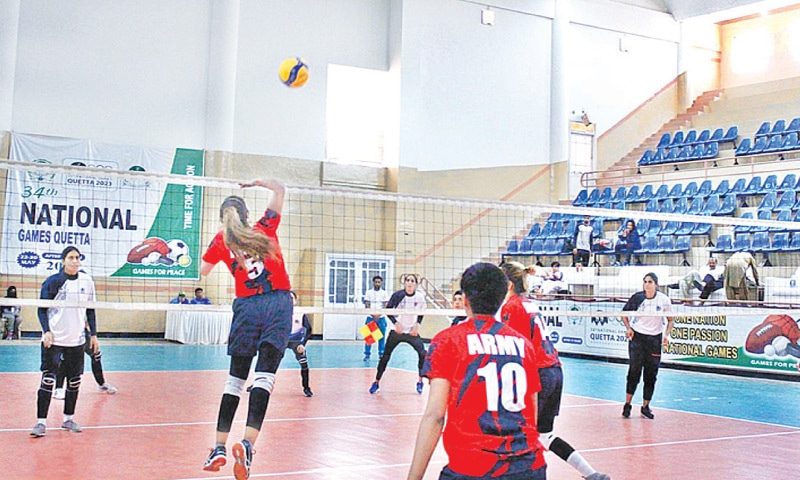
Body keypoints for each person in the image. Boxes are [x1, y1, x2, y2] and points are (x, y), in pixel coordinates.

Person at [407, 262, 547, 480]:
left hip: (473, 469)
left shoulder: (448, 341)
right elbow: (532, 411)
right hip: (528, 467)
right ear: (502, 298)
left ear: (464, 300)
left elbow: (435, 416)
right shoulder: (523, 345)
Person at [200, 179, 293, 480]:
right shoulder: (264, 228)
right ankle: (248, 444)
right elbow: (279, 189)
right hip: (277, 305)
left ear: (222, 218)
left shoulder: (220, 241)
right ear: (246, 214)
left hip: (246, 308)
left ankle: (218, 447)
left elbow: (202, 272)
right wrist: (258, 183)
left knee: (234, 381)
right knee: (264, 378)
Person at [500, 262, 611, 480]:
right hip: (555, 370)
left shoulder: (510, 307)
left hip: (539, 375)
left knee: (519, 436)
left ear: (508, 284)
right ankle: (592, 474)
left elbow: (510, 347)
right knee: (545, 435)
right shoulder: (530, 303)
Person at [31, 246, 98, 437]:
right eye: (71, 257)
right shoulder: (54, 282)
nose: (75, 261)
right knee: (48, 380)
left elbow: (91, 310)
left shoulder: (87, 281)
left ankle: (68, 419)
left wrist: (93, 335)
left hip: (76, 341)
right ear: (63, 260)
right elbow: (41, 309)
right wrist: (47, 331)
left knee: (74, 381)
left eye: (78, 257)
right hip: (55, 339)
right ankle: (41, 423)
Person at [620, 272, 674, 420]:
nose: (647, 284)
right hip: (638, 338)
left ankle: (645, 406)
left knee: (651, 375)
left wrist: (666, 335)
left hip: (654, 340)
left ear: (656, 284)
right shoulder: (637, 298)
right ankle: (627, 404)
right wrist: (628, 328)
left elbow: (670, 320)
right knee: (634, 372)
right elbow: (623, 314)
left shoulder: (663, 300)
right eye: (645, 281)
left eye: (650, 282)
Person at [369, 274, 427, 395]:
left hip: (411, 331)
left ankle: (420, 382)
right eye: (407, 280)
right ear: (404, 283)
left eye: (412, 281)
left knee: (423, 354)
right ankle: (376, 382)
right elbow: (388, 311)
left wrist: (418, 325)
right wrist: (396, 324)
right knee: (385, 356)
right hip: (397, 331)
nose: (410, 283)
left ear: (416, 284)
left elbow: (421, 312)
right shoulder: (397, 295)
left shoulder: (420, 297)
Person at [52, 323, 118, 400]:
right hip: (65, 332)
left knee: (95, 355)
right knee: (64, 358)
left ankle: (102, 384)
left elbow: (90, 314)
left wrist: (92, 333)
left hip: (81, 331)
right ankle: (58, 388)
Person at [288, 291, 313, 397]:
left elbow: (309, 329)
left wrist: (303, 344)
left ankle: (306, 388)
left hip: (296, 341)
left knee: (304, 364)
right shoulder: (279, 311)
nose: (289, 300)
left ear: (295, 301)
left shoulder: (300, 313)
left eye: (291, 298)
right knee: (267, 361)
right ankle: (257, 384)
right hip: (281, 339)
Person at [362, 275, 389, 362]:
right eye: (376, 282)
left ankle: (381, 354)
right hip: (371, 317)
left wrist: (379, 314)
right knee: (369, 337)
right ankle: (367, 355)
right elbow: (367, 304)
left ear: (381, 283)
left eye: (379, 282)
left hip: (381, 318)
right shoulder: (368, 292)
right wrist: (373, 314)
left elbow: (385, 305)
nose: (377, 283)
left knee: (381, 337)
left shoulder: (384, 293)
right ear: (373, 282)